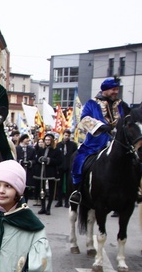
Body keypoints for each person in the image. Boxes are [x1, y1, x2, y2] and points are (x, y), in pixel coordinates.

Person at [69, 77, 130, 205]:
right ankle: (78, 191)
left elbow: (128, 121)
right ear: (105, 90)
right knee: (79, 161)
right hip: (95, 143)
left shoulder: (121, 105)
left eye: (117, 89)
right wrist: (100, 126)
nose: (116, 92)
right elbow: (84, 118)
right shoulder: (92, 104)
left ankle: (136, 189)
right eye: (114, 89)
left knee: (134, 161)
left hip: (117, 142)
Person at [34, 134, 62, 215]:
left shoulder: (56, 150)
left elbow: (59, 161)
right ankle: (43, 207)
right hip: (41, 173)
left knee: (51, 190)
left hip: (51, 173)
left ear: (52, 141)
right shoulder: (41, 149)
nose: (47, 141)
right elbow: (36, 159)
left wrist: (49, 160)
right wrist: (40, 159)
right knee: (41, 190)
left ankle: (48, 207)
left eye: (49, 140)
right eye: (46, 140)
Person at [55, 129, 78, 208]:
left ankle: (67, 201)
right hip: (60, 166)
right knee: (59, 184)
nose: (66, 137)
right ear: (63, 135)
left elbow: (75, 155)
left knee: (68, 184)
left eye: (68, 135)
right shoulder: (58, 145)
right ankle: (59, 201)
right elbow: (57, 156)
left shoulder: (73, 145)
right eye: (65, 135)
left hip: (69, 166)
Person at [16, 134, 37, 201]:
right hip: (19, 171)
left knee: (27, 188)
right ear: (22, 139)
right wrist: (20, 162)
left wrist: (29, 162)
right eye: (26, 138)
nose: (28, 140)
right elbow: (14, 158)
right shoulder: (17, 148)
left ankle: (26, 202)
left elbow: (34, 160)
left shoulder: (31, 149)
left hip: (28, 171)